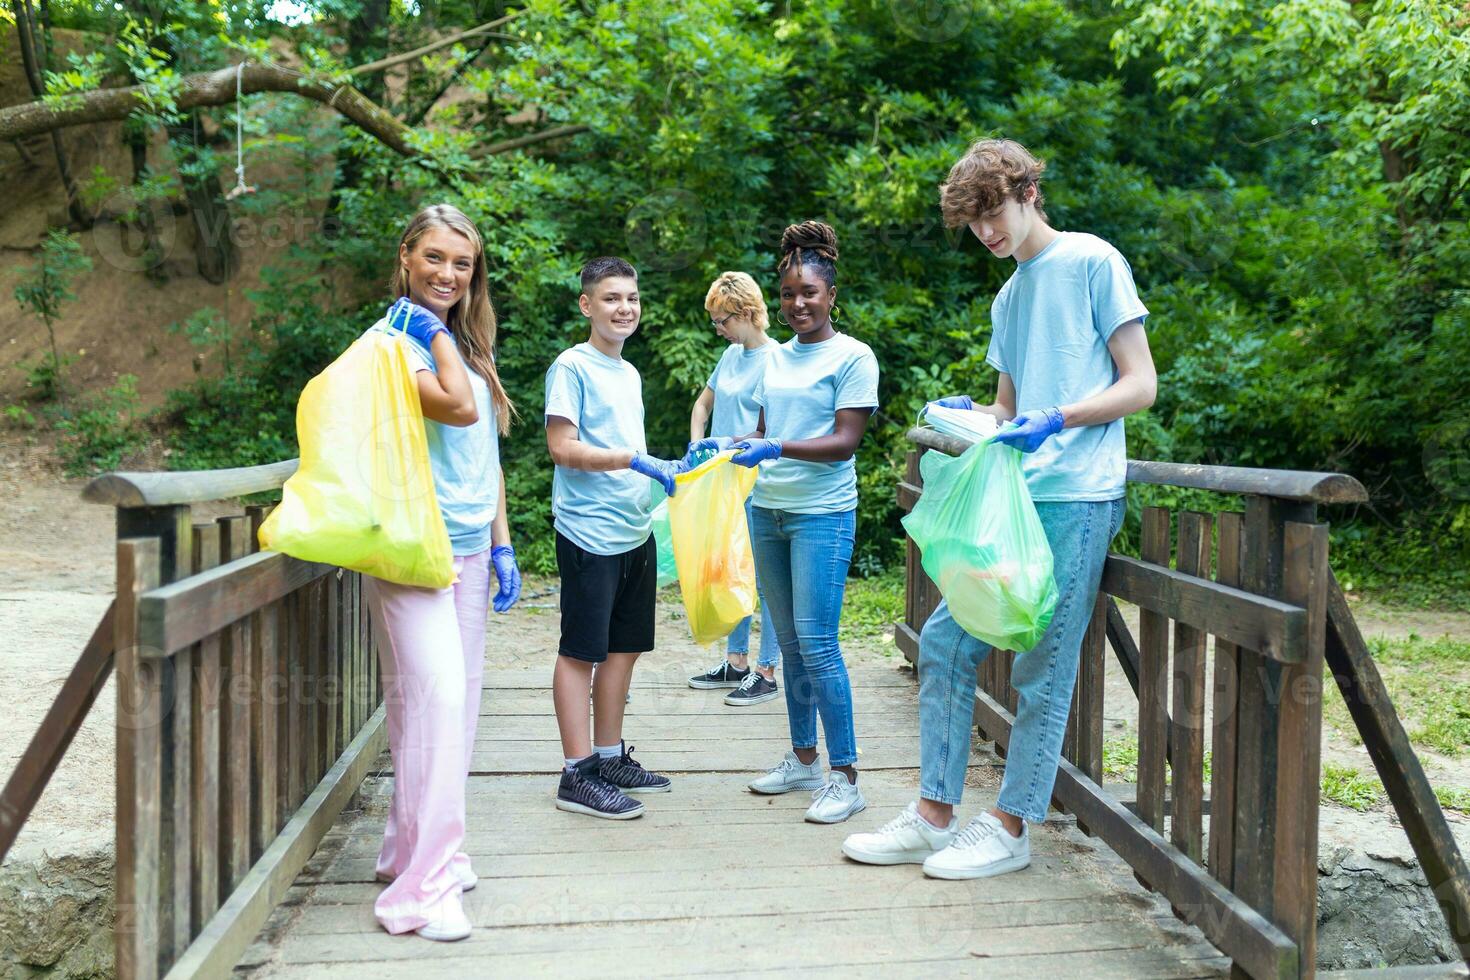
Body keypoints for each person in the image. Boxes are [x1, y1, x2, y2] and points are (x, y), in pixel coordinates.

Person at [842, 138, 1156, 878]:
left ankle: (1012, 825)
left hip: (1078, 496)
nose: (986, 231)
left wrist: (1063, 418)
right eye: (972, 221)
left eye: (993, 212)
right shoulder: (1009, 295)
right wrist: (968, 414)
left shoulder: (1092, 261)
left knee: (1042, 668)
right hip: (1014, 500)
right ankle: (933, 815)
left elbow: (1140, 383)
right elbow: (1009, 409)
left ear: (1027, 193)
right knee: (949, 642)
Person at [362, 203, 522, 942]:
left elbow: (483, 456)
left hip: (464, 549)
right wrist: (428, 332)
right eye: (434, 258)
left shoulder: (462, 340)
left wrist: (501, 544)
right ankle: (419, 892)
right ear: (406, 257)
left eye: (462, 264)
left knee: (436, 709)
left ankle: (409, 851)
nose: (448, 275)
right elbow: (456, 410)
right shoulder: (397, 342)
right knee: (438, 705)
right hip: (411, 549)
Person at [724, 221, 880, 824]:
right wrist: (730, 446)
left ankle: (845, 775)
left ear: (830, 295)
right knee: (787, 644)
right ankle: (803, 758)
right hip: (768, 511)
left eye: (809, 293)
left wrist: (776, 448)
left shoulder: (853, 357)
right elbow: (765, 433)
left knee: (817, 643)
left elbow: (844, 441)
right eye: (788, 294)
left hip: (822, 515)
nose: (797, 305)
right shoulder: (774, 360)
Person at [544, 256, 686, 819]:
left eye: (631, 297)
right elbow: (563, 447)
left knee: (624, 650)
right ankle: (575, 773)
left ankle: (607, 756)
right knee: (581, 652)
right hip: (588, 532)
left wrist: (660, 472)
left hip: (634, 530)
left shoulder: (629, 373)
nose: (623, 308)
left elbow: (632, 451)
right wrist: (633, 459)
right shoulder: (570, 367)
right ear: (587, 305)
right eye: (611, 298)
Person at [685, 271, 782, 706]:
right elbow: (702, 405)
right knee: (732, 569)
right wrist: (696, 447)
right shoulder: (730, 356)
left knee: (764, 575)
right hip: (721, 478)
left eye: (721, 320)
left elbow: (769, 429)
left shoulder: (776, 361)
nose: (718, 328)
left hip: (758, 480)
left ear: (745, 313)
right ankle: (737, 661)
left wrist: (731, 451)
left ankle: (767, 670)